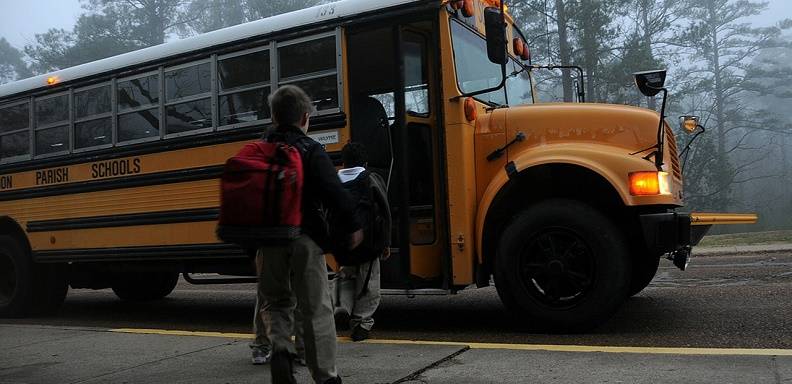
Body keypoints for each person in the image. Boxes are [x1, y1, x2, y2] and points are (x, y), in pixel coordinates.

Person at [257, 85, 362, 384]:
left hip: (268, 241)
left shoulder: (259, 151)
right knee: (315, 308)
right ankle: (326, 376)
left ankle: (279, 349)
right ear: (305, 117)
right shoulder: (310, 149)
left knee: (275, 302)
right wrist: (353, 225)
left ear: (274, 116)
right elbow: (334, 192)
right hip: (305, 238)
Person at [333, 142, 391, 342]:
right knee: (368, 282)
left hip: (343, 245)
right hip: (369, 244)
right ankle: (362, 323)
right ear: (365, 162)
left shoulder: (334, 181)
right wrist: (385, 243)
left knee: (347, 277)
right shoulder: (372, 179)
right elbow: (384, 213)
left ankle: (343, 307)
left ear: (343, 162)